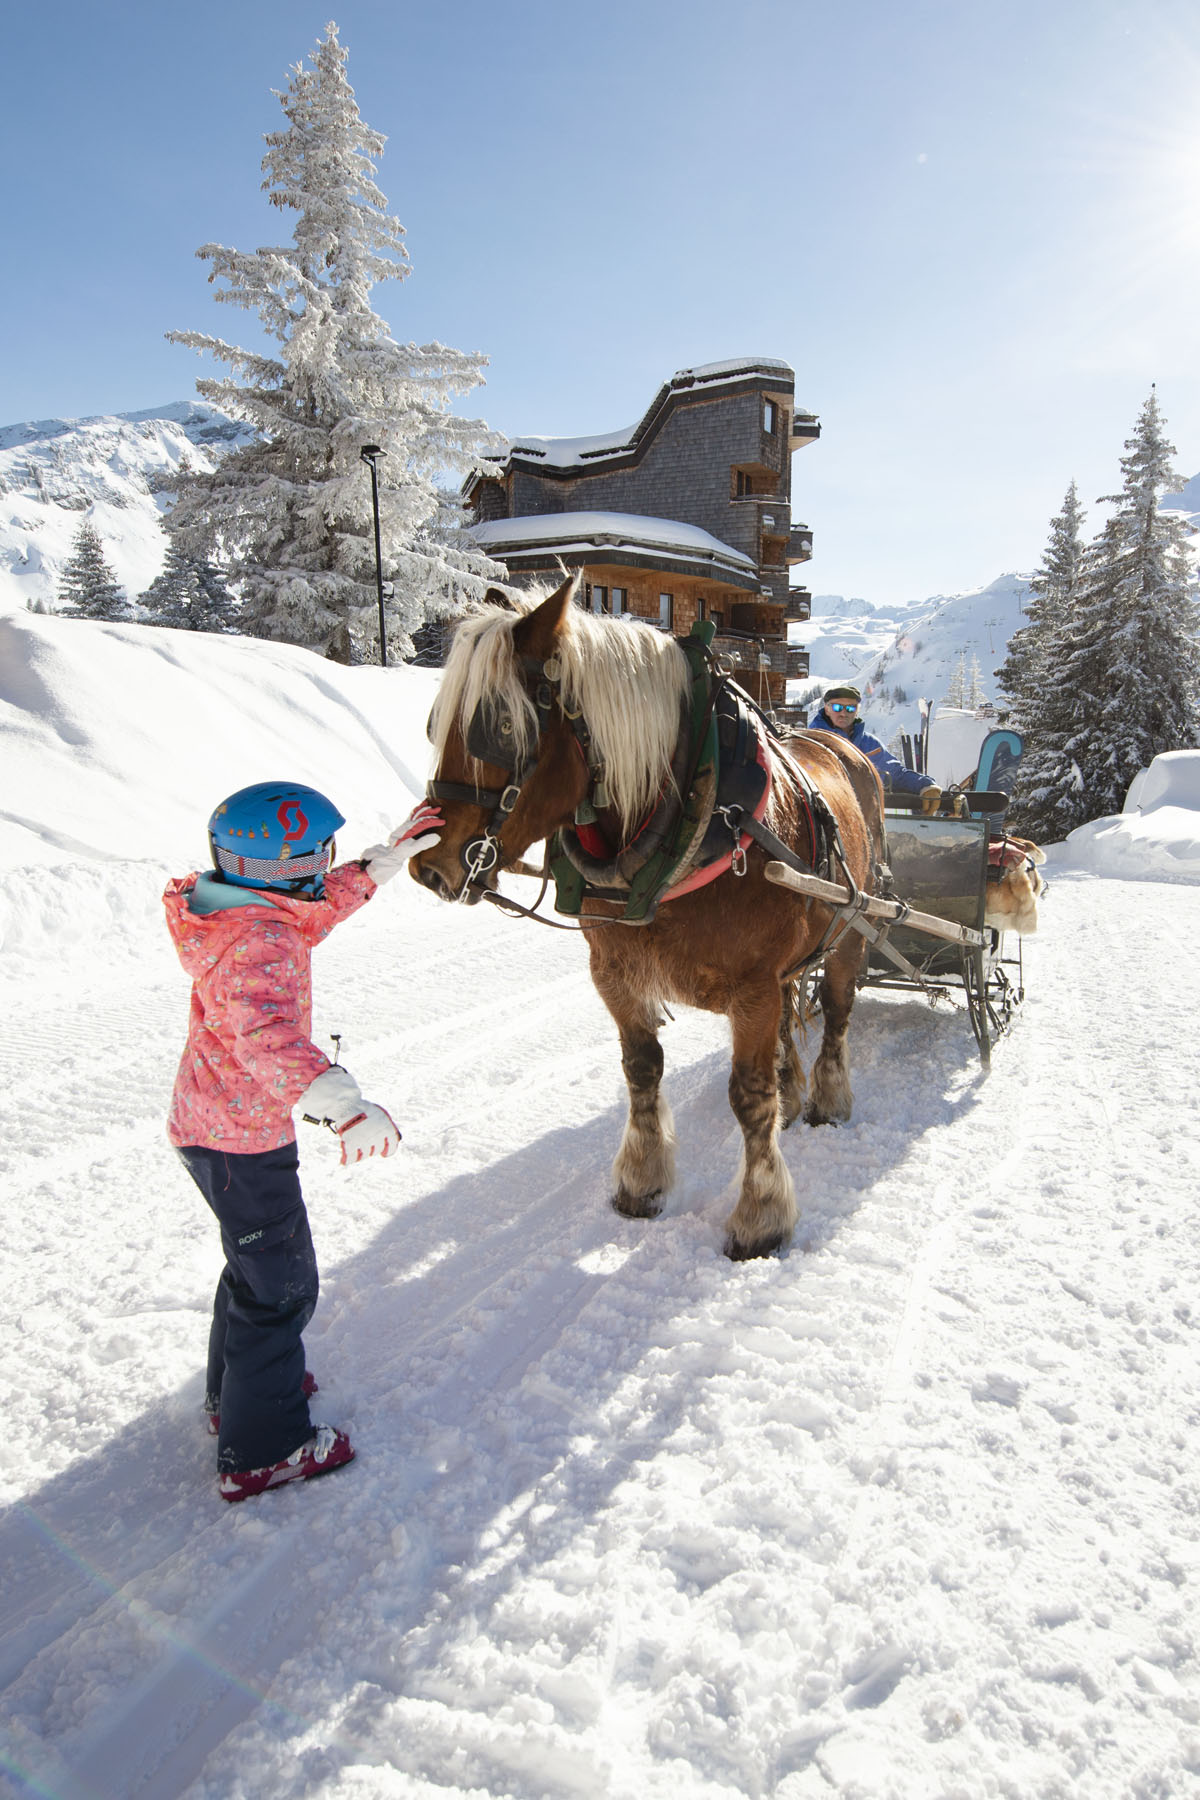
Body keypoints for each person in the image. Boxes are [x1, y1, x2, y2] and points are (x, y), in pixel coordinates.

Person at [163, 781, 442, 1503]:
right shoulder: (258, 941)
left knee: (252, 1269)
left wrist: (379, 864)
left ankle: (235, 1395)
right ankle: (262, 1450)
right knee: (281, 1289)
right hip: (242, 1142)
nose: (326, 863)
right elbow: (266, 1037)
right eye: (318, 854)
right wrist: (343, 1107)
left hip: (213, 1127)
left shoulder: (240, 909)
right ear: (281, 867)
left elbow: (311, 908)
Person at [808, 683, 958, 814]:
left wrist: (925, 785)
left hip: (862, 820)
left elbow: (895, 774)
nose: (843, 713)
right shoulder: (810, 741)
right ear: (827, 709)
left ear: (857, 711)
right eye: (837, 707)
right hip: (821, 819)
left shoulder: (869, 744)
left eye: (850, 708)